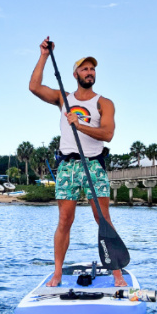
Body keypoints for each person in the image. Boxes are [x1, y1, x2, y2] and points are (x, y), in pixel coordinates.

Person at [29, 36, 127, 287]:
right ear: (75, 74)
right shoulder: (64, 98)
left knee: (103, 219)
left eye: (93, 68)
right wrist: (43, 55)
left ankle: (117, 273)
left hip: (93, 164)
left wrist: (80, 124)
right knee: (65, 220)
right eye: (85, 68)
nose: (90, 72)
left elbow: (107, 134)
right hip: (68, 166)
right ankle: (58, 272)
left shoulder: (104, 103)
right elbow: (34, 86)